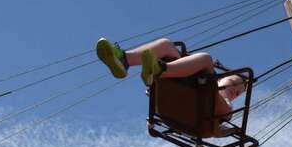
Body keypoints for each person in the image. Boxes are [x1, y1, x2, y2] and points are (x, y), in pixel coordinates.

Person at [95, 38, 248, 128]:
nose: (234, 91)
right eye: (234, 84)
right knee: (167, 44)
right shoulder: (210, 82)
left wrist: (226, 101)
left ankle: (159, 69)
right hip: (179, 89)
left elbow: (219, 126)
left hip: (190, 111)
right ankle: (125, 60)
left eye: (238, 93)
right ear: (222, 78)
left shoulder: (224, 107)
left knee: (205, 59)